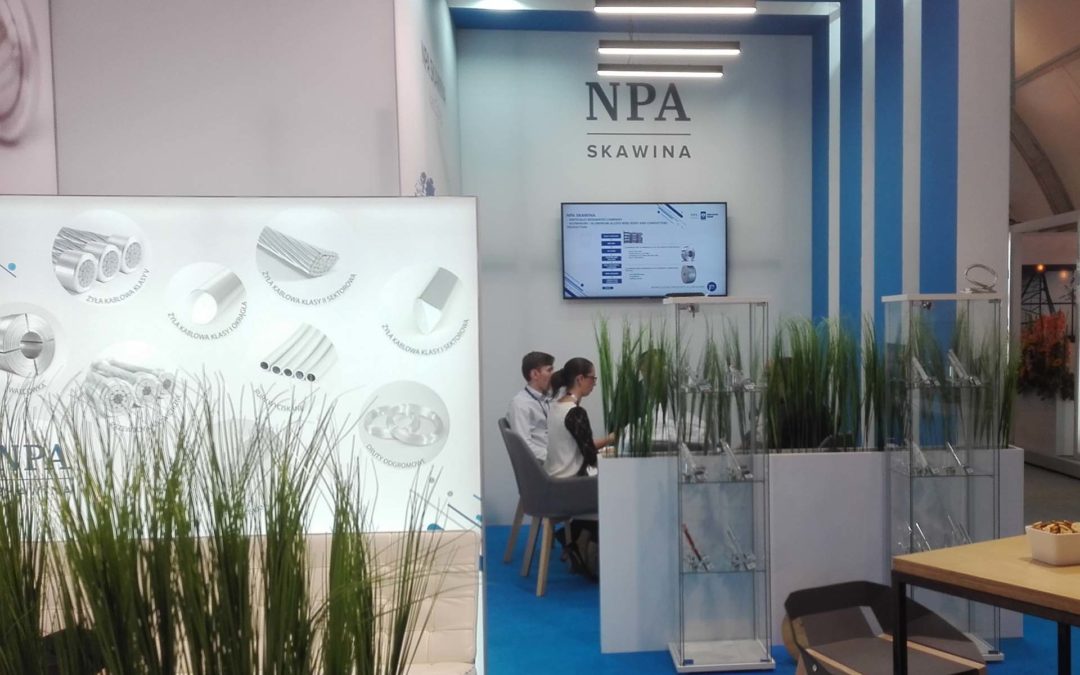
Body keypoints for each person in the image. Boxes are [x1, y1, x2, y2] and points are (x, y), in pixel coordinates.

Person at [544, 357, 614, 478]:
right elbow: (591, 457)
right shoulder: (576, 413)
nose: (595, 383)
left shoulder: (554, 406)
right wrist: (611, 443)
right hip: (573, 479)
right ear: (580, 379)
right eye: (592, 378)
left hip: (553, 476)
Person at [507, 351, 555, 462]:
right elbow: (524, 446)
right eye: (549, 370)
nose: (553, 375)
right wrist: (556, 457)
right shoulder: (520, 404)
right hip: (546, 464)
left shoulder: (547, 399)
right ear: (534, 374)